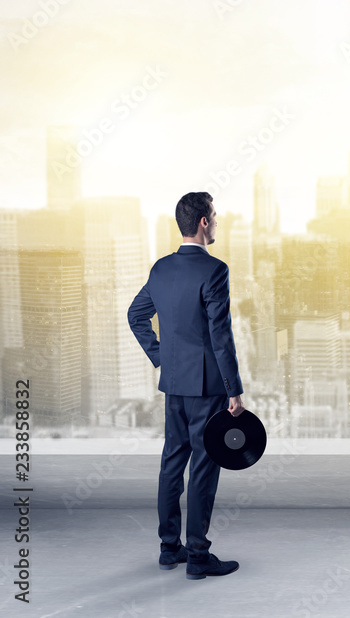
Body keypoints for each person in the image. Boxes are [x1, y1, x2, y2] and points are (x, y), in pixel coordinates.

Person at [128, 191, 245, 580]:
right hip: (209, 386)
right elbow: (220, 336)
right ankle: (197, 555)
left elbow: (136, 315)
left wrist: (160, 356)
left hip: (173, 382)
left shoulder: (160, 269)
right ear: (204, 223)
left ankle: (167, 549)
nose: (218, 221)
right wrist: (234, 389)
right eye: (215, 215)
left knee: (171, 463)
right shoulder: (214, 270)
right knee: (204, 467)